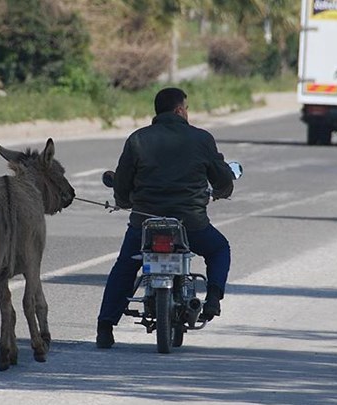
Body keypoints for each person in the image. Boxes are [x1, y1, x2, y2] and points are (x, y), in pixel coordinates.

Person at [95, 87, 235, 349]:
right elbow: (223, 179)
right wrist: (222, 191)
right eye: (187, 109)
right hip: (190, 224)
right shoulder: (202, 139)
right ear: (180, 110)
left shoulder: (137, 139)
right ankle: (214, 297)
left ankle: (105, 327)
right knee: (219, 248)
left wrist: (125, 203)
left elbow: (122, 184)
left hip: (145, 224)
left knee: (126, 266)